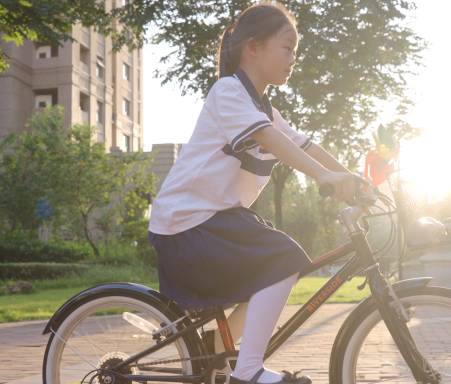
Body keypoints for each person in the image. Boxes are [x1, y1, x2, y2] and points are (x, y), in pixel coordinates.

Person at [148, 2, 357, 384]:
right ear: (254, 47)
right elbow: (270, 139)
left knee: (273, 266)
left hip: (214, 219)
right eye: (288, 47)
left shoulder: (264, 108)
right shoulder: (228, 92)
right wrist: (325, 177)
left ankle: (215, 342)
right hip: (185, 225)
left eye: (296, 50)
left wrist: (356, 182)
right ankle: (248, 372)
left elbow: (304, 145)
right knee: (283, 257)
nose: (293, 58)